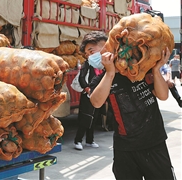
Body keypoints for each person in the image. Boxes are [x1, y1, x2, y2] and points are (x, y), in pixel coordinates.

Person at [90, 47, 176, 179]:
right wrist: (110, 73)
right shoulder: (103, 79)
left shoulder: (143, 71)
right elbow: (96, 102)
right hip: (125, 148)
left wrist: (156, 70)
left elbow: (163, 95)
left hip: (154, 143)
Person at [70, 31, 108, 150]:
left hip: (97, 95)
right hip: (88, 95)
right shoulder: (88, 63)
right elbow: (82, 77)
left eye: (91, 51)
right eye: (87, 53)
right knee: (85, 118)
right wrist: (87, 89)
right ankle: (78, 140)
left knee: (94, 118)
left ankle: (90, 140)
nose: (89, 55)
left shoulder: (104, 65)